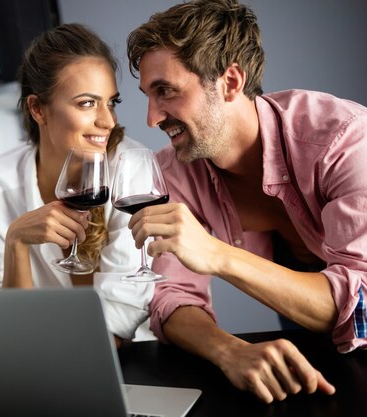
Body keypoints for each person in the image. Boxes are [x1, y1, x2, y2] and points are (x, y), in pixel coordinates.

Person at [126, 0, 367, 403]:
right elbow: (171, 298)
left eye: (165, 91)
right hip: (299, 312)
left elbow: (361, 302)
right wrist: (229, 350)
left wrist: (218, 255)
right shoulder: (174, 171)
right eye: (149, 95)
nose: (152, 118)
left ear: (230, 81)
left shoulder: (344, 139)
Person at [0, 23, 153, 341]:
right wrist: (16, 242)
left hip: (133, 359)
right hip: (46, 364)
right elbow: (9, 325)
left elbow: (124, 308)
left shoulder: (132, 167)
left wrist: (60, 366)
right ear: (38, 108)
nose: (108, 121)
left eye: (111, 102)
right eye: (87, 103)